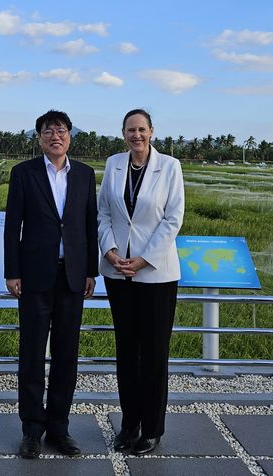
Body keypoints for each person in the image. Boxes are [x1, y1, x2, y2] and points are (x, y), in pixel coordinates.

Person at [4, 110, 98, 459]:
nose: (55, 136)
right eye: (48, 131)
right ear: (39, 137)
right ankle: (31, 430)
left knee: (66, 355)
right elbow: (13, 226)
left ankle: (59, 427)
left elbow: (90, 226)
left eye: (61, 130)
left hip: (72, 277)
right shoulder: (23, 173)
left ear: (70, 136)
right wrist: (12, 272)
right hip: (34, 277)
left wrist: (90, 271)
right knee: (31, 354)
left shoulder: (85, 175)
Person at [97, 108, 184, 455]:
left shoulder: (170, 167)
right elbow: (103, 212)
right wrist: (111, 252)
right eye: (131, 130)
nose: (137, 135)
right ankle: (129, 423)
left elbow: (173, 219)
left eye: (142, 129)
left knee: (154, 354)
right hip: (119, 273)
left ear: (152, 132)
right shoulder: (113, 164)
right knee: (126, 352)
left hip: (157, 274)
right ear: (123, 133)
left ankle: (152, 429)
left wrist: (145, 259)